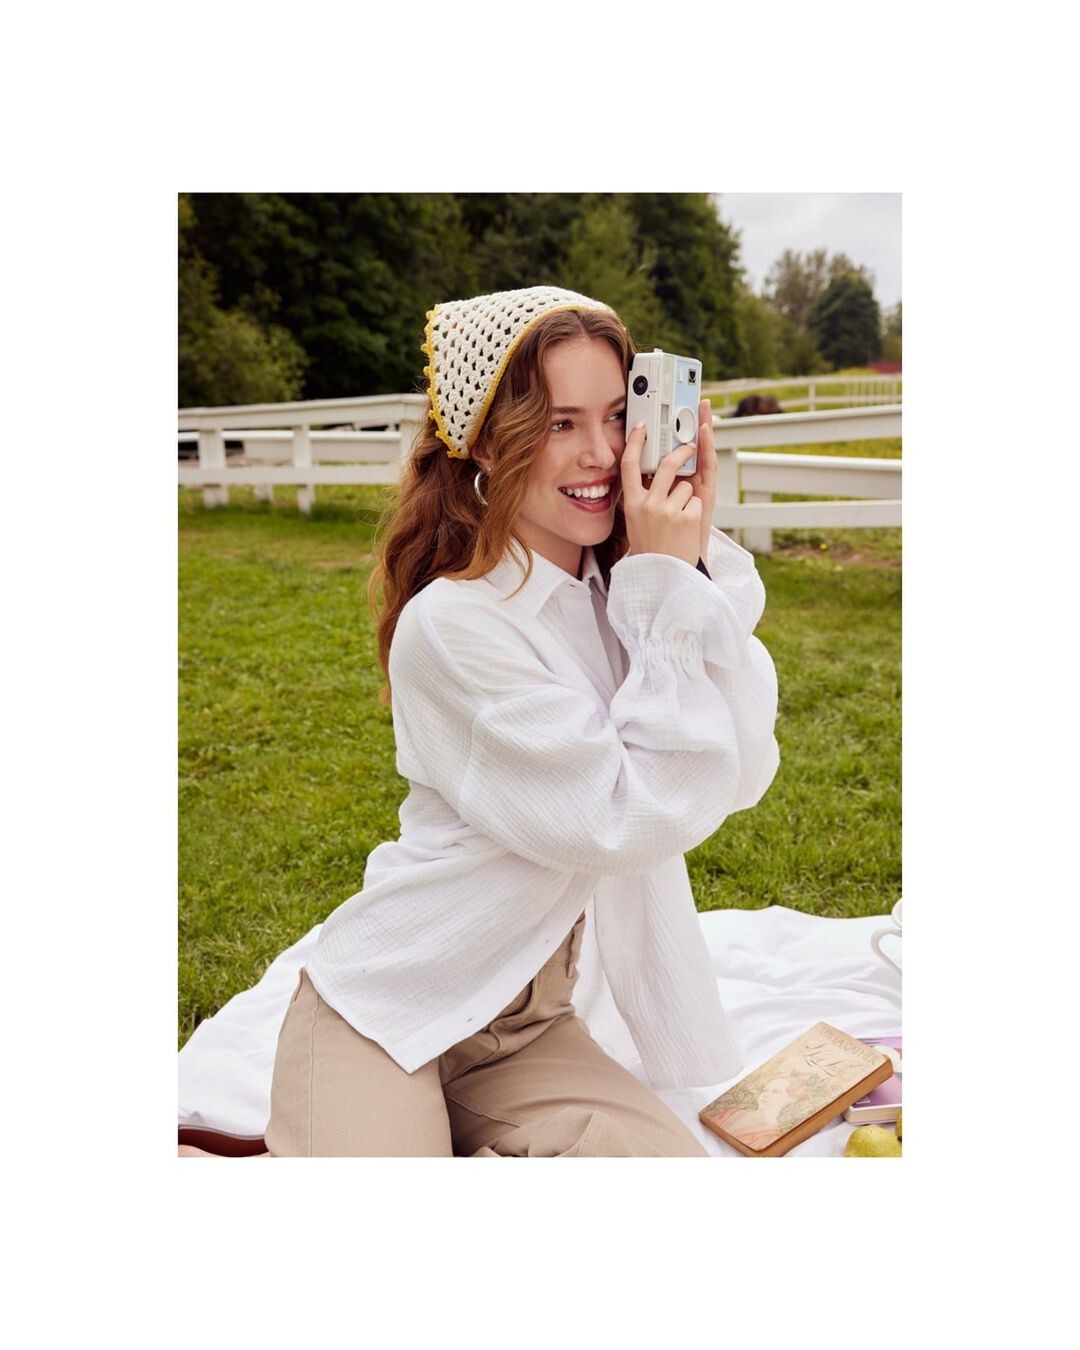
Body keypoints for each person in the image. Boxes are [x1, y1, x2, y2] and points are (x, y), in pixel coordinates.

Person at [247, 285, 780, 1156]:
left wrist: (681, 577)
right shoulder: (454, 625)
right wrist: (663, 599)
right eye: (561, 423)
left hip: (527, 1027)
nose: (602, 453)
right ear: (489, 443)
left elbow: (744, 768)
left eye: (617, 416)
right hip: (390, 1007)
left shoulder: (628, 595)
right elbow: (624, 818)